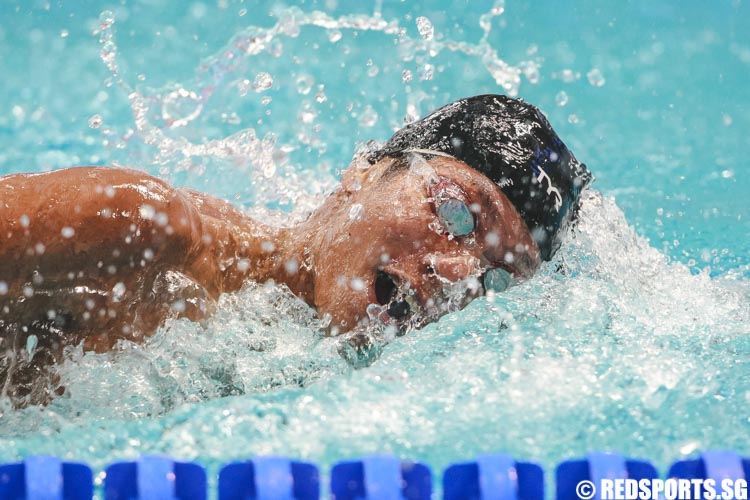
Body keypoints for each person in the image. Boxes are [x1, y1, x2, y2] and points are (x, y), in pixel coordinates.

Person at [0, 94, 591, 405]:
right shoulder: (144, 227)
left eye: (496, 277)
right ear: (365, 171)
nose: (456, 272)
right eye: (455, 212)